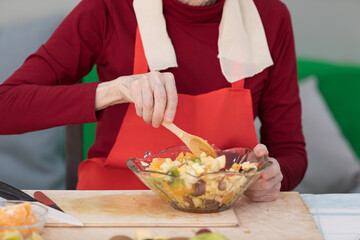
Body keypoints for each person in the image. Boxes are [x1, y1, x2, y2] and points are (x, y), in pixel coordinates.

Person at [0, 0, 307, 202]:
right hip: (112, 209)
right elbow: (6, 106)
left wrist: (272, 176)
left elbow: (290, 151)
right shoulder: (109, 9)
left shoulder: (270, 17)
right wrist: (115, 90)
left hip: (223, 216)